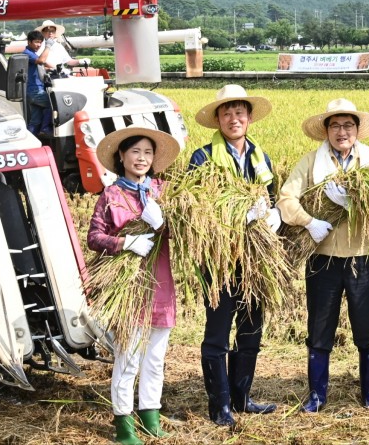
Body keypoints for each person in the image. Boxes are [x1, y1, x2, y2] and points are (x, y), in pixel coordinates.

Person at [277, 98, 369, 412]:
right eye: (336, 125)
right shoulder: (310, 163)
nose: (342, 131)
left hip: (363, 256)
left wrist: (353, 203)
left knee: (367, 326)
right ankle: (317, 396)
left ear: (357, 131)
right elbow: (286, 199)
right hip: (322, 257)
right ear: (326, 130)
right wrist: (309, 222)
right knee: (320, 325)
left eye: (348, 125)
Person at [187, 85, 282, 426]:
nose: (233, 119)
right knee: (217, 332)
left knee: (251, 329)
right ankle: (220, 405)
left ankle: (242, 398)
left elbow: (272, 197)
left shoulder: (261, 157)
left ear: (249, 117)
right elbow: (193, 209)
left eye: (239, 112)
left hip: (255, 260)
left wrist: (274, 215)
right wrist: (234, 216)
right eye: (226, 113)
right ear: (217, 119)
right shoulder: (202, 157)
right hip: (219, 259)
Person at [87, 126, 181, 444]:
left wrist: (163, 224)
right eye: (135, 151)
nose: (142, 158)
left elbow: (186, 231)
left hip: (161, 282)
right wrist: (125, 242)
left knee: (155, 357)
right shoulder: (111, 195)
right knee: (128, 357)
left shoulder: (164, 191)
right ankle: (125, 427)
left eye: (148, 152)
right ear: (122, 156)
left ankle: (151, 417)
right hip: (127, 289)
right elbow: (94, 237)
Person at [22, 30, 53, 135]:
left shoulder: (32, 54)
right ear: (29, 42)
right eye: (36, 42)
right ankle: (45, 128)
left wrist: (53, 67)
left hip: (32, 91)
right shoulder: (27, 53)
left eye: (40, 42)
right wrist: (48, 46)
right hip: (35, 90)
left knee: (35, 121)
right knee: (53, 103)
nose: (39, 45)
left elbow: (45, 63)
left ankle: (31, 142)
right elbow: (41, 61)